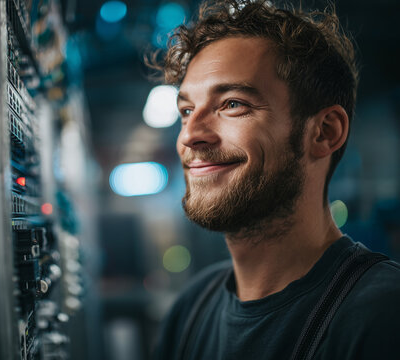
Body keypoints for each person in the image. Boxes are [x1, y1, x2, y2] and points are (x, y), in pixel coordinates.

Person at [151, 0, 400, 359]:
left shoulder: (382, 317)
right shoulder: (191, 309)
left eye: (233, 104)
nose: (190, 135)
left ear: (324, 133)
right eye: (187, 111)